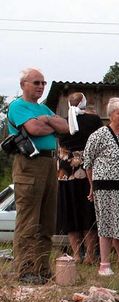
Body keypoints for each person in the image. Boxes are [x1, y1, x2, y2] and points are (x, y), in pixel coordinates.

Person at [8, 68, 69, 284]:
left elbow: (66, 126)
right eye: (36, 82)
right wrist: (50, 124)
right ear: (23, 84)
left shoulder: (43, 108)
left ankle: (42, 269)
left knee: (46, 219)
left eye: (43, 83)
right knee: (29, 220)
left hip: (49, 163)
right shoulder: (18, 106)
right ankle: (24, 270)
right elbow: (34, 129)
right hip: (29, 163)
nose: (41, 86)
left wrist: (47, 120)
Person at [84, 98, 119, 276]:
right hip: (104, 186)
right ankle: (105, 265)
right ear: (110, 115)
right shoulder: (99, 134)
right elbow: (88, 161)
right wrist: (92, 186)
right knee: (106, 225)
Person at [56, 92, 102, 264]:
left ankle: (76, 254)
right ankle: (90, 255)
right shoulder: (94, 120)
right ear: (84, 102)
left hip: (65, 174)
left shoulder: (63, 121)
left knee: (70, 212)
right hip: (87, 172)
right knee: (88, 213)